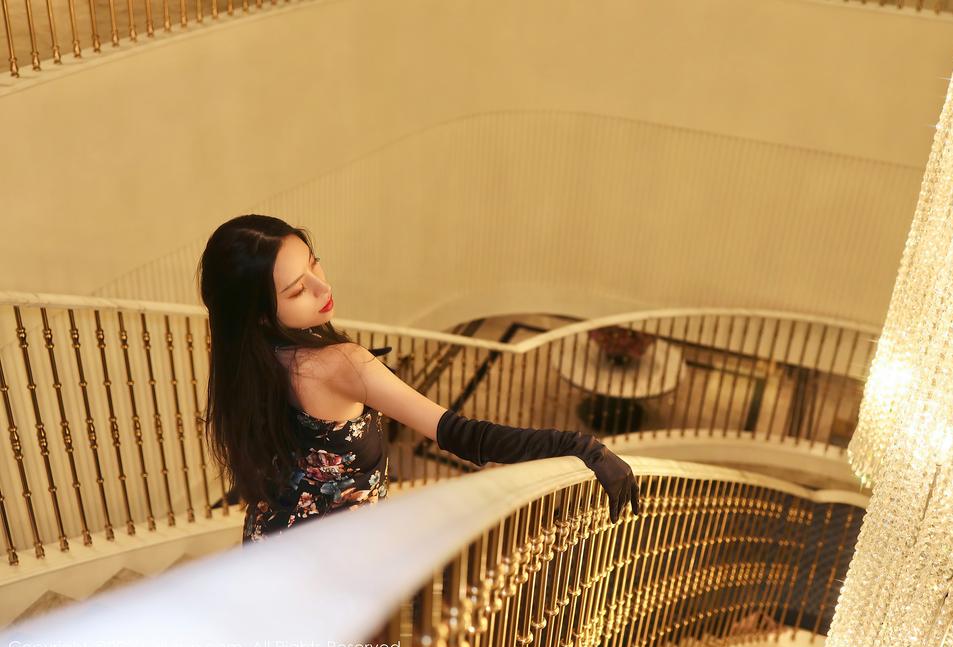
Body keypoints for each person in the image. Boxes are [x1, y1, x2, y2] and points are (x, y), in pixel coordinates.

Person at [196, 214, 640, 546]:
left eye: (316, 265)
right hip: (334, 563)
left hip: (269, 547)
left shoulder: (247, 361)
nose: (322, 288)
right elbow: (464, 435)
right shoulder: (342, 365)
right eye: (297, 290)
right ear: (258, 313)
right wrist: (581, 446)